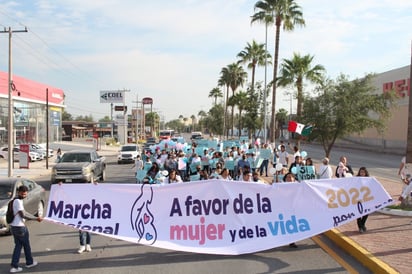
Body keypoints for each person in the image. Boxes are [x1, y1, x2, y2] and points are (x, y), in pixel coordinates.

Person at [9, 185, 43, 273]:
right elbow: (23, 214)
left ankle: (14, 266)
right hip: (20, 228)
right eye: (22, 194)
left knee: (18, 246)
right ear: (19, 192)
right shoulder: (18, 201)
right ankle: (29, 262)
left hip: (13, 227)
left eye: (25, 194)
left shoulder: (14, 200)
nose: (24, 196)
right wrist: (36, 218)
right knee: (26, 246)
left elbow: (23, 212)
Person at [356, 167, 370, 233]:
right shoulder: (356, 179)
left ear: (365, 173)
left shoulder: (369, 180)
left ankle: (363, 224)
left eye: (363, 172)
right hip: (357, 199)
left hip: (365, 199)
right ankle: (360, 227)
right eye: (361, 172)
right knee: (358, 213)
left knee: (366, 212)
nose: (362, 173)